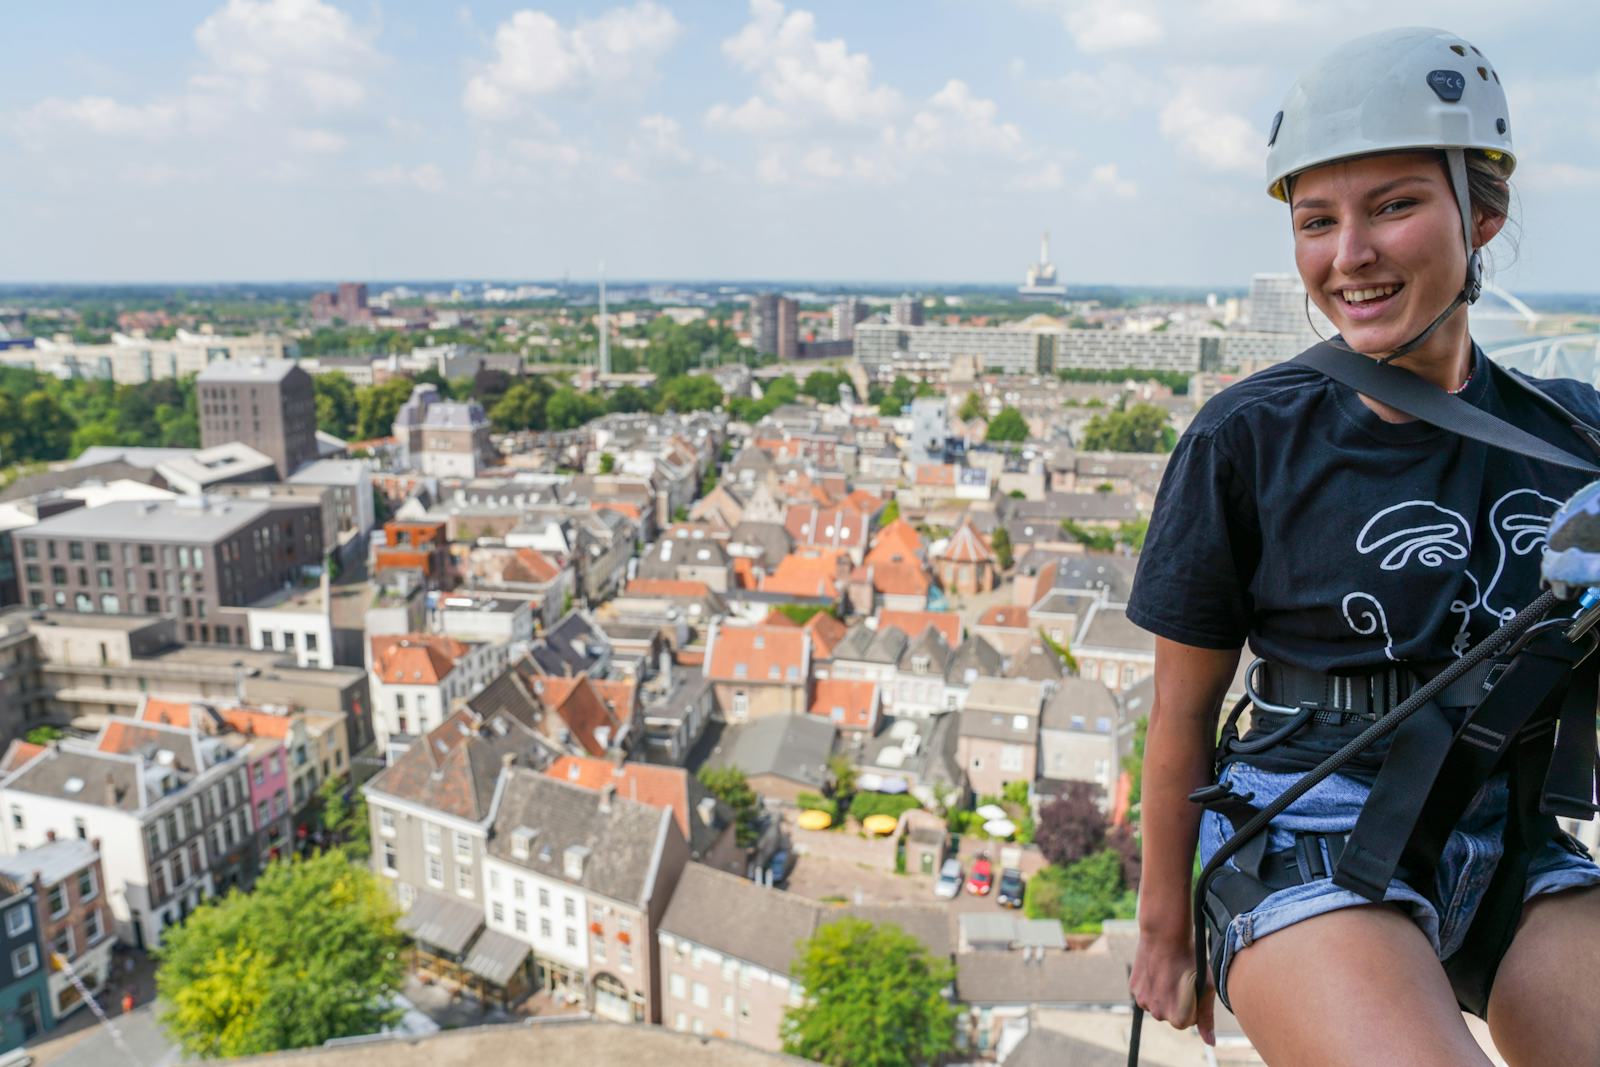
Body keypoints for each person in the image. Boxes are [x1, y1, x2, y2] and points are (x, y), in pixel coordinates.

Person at [1125, 27, 1600, 1066]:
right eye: (1316, 221)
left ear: (1482, 214)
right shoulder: (1249, 437)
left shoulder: (1577, 438)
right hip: (1304, 826)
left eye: (1393, 205)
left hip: (1509, 828)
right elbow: (1181, 709)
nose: (1349, 255)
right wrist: (1164, 927)